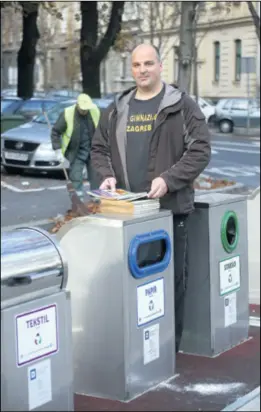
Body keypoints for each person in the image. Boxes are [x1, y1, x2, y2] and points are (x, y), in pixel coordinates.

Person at [91, 44, 211, 353]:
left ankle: (168, 352)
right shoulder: (118, 107)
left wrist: (168, 180)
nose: (142, 70)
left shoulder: (182, 105)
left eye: (148, 63)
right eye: (136, 65)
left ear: (160, 66)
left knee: (170, 286)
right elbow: (99, 149)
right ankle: (138, 353)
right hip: (129, 215)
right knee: (133, 286)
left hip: (170, 212)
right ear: (131, 70)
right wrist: (106, 174)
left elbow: (200, 150)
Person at [51, 93, 100, 201]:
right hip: (76, 151)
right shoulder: (67, 113)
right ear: (77, 105)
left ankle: (96, 201)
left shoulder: (95, 110)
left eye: (86, 109)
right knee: (76, 177)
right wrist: (57, 150)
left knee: (96, 177)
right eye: (83, 109)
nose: (85, 111)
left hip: (93, 150)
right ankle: (79, 202)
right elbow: (55, 132)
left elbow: (102, 129)